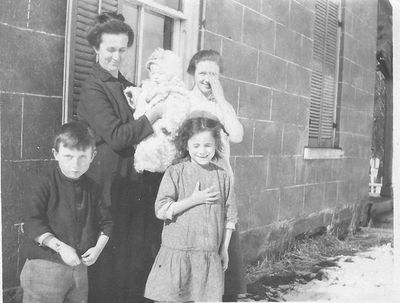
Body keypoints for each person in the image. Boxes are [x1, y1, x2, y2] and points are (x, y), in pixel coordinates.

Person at [77, 12, 167, 303]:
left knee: (133, 251)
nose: (116, 56)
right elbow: (116, 137)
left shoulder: (128, 85)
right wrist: (152, 117)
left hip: (133, 180)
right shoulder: (93, 87)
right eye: (110, 49)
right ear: (96, 48)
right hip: (108, 181)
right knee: (109, 251)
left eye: (121, 50)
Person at [144, 112, 238, 302]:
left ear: (215, 145)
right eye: (196, 145)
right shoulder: (175, 172)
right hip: (177, 253)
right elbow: (161, 210)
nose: (202, 151)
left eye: (207, 145)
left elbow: (231, 217)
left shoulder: (222, 176)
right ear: (186, 145)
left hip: (207, 255)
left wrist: (224, 249)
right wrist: (194, 199)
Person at [20, 121, 113, 303]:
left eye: (82, 157)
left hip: (79, 270)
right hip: (44, 267)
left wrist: (97, 250)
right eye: (68, 156)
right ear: (56, 154)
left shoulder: (93, 188)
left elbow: (107, 222)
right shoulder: (44, 183)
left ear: (93, 156)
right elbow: (32, 223)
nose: (75, 165)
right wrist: (61, 247)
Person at [187, 49, 247, 301]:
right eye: (202, 72)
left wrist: (221, 99)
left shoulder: (223, 106)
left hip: (221, 181)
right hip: (194, 182)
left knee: (223, 243)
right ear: (192, 73)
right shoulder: (185, 100)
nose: (207, 79)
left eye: (213, 73)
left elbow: (237, 135)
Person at [125, 48, 191, 173]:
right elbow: (143, 104)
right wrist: (135, 97)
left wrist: (170, 125)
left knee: (159, 155)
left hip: (163, 133)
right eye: (153, 73)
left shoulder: (175, 90)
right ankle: (144, 169)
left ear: (172, 73)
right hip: (147, 133)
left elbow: (179, 110)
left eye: (160, 73)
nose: (155, 77)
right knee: (144, 154)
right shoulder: (149, 88)